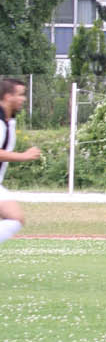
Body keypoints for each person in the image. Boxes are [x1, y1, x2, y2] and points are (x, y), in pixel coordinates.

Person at [0, 78, 43, 247]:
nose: (23, 99)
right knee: (15, 217)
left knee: (15, 218)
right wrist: (23, 156)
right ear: (7, 96)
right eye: (20, 95)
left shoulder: (8, 120)